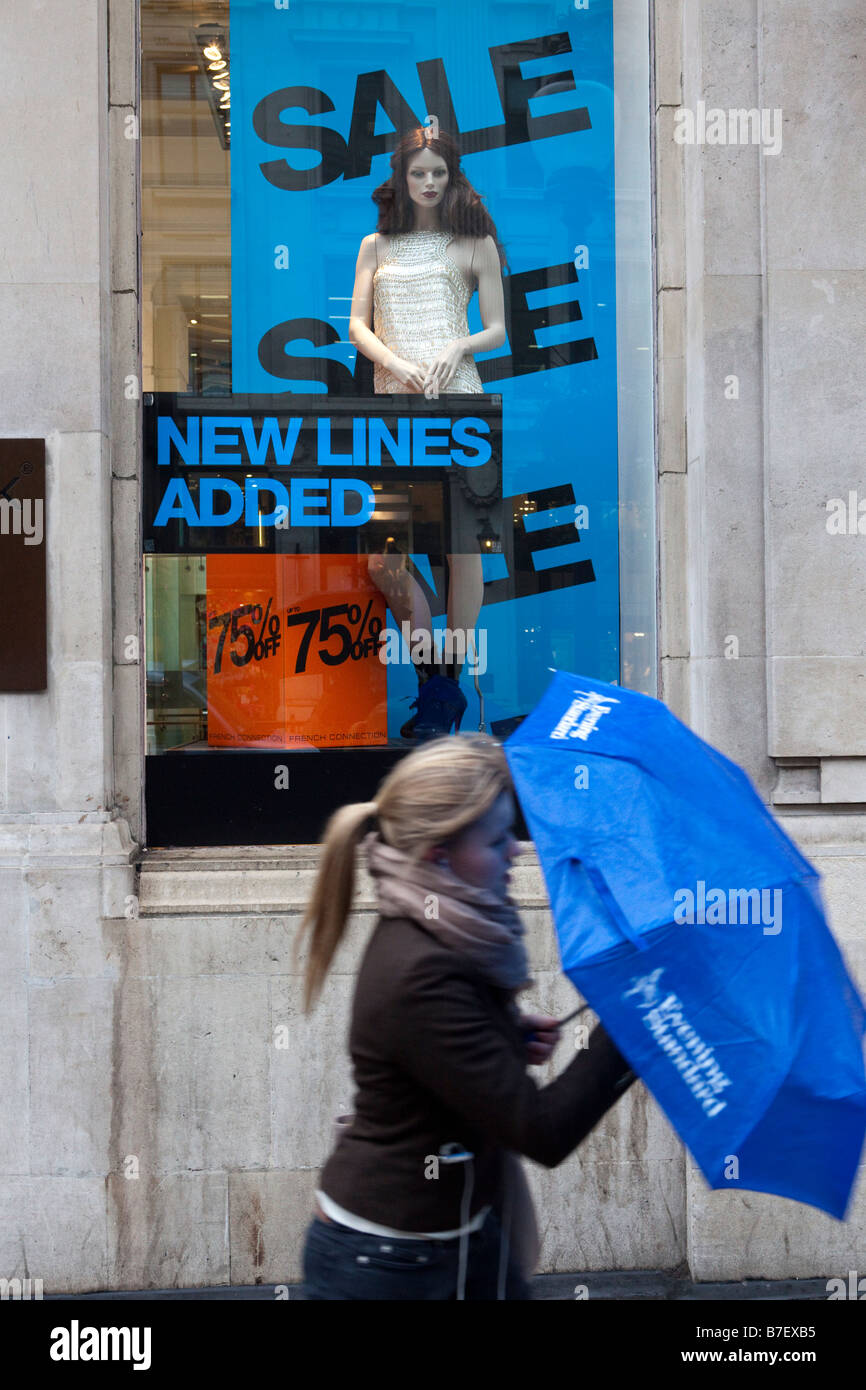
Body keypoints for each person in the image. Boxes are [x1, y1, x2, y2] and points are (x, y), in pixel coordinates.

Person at [296, 734, 638, 1300]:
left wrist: (501, 1035)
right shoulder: (424, 970)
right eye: (498, 839)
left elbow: (437, 1060)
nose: (516, 851)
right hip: (386, 1268)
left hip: (456, 1238)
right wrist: (634, 1023)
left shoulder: (443, 927)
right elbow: (543, 1131)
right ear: (438, 853)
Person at [348, 127, 508, 739]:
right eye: (419, 173)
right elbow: (358, 325)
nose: (430, 182)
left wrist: (456, 345)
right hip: (394, 407)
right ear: (402, 178)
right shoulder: (376, 246)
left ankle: (443, 692)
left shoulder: (476, 244)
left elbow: (496, 328)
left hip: (460, 402)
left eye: (439, 172)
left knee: (461, 549)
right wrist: (394, 364)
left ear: (452, 176)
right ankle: (434, 679)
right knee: (383, 558)